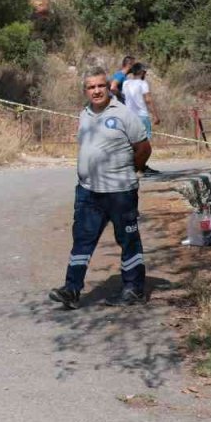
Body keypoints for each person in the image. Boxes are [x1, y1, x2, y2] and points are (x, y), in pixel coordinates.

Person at [48, 67, 152, 309]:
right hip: (88, 191)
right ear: (85, 91)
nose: (96, 91)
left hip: (120, 192)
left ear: (109, 87)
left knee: (128, 240)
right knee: (82, 241)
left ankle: (134, 289)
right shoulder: (84, 114)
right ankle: (71, 290)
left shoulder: (124, 114)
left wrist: (130, 169)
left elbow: (144, 148)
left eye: (100, 86)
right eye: (91, 87)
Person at [121, 63, 162, 175]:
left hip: (129, 117)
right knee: (144, 145)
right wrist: (156, 115)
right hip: (142, 116)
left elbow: (124, 97)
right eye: (145, 71)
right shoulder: (143, 84)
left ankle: (136, 167)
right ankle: (139, 168)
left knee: (131, 144)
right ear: (141, 72)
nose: (146, 73)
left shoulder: (126, 83)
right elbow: (148, 100)